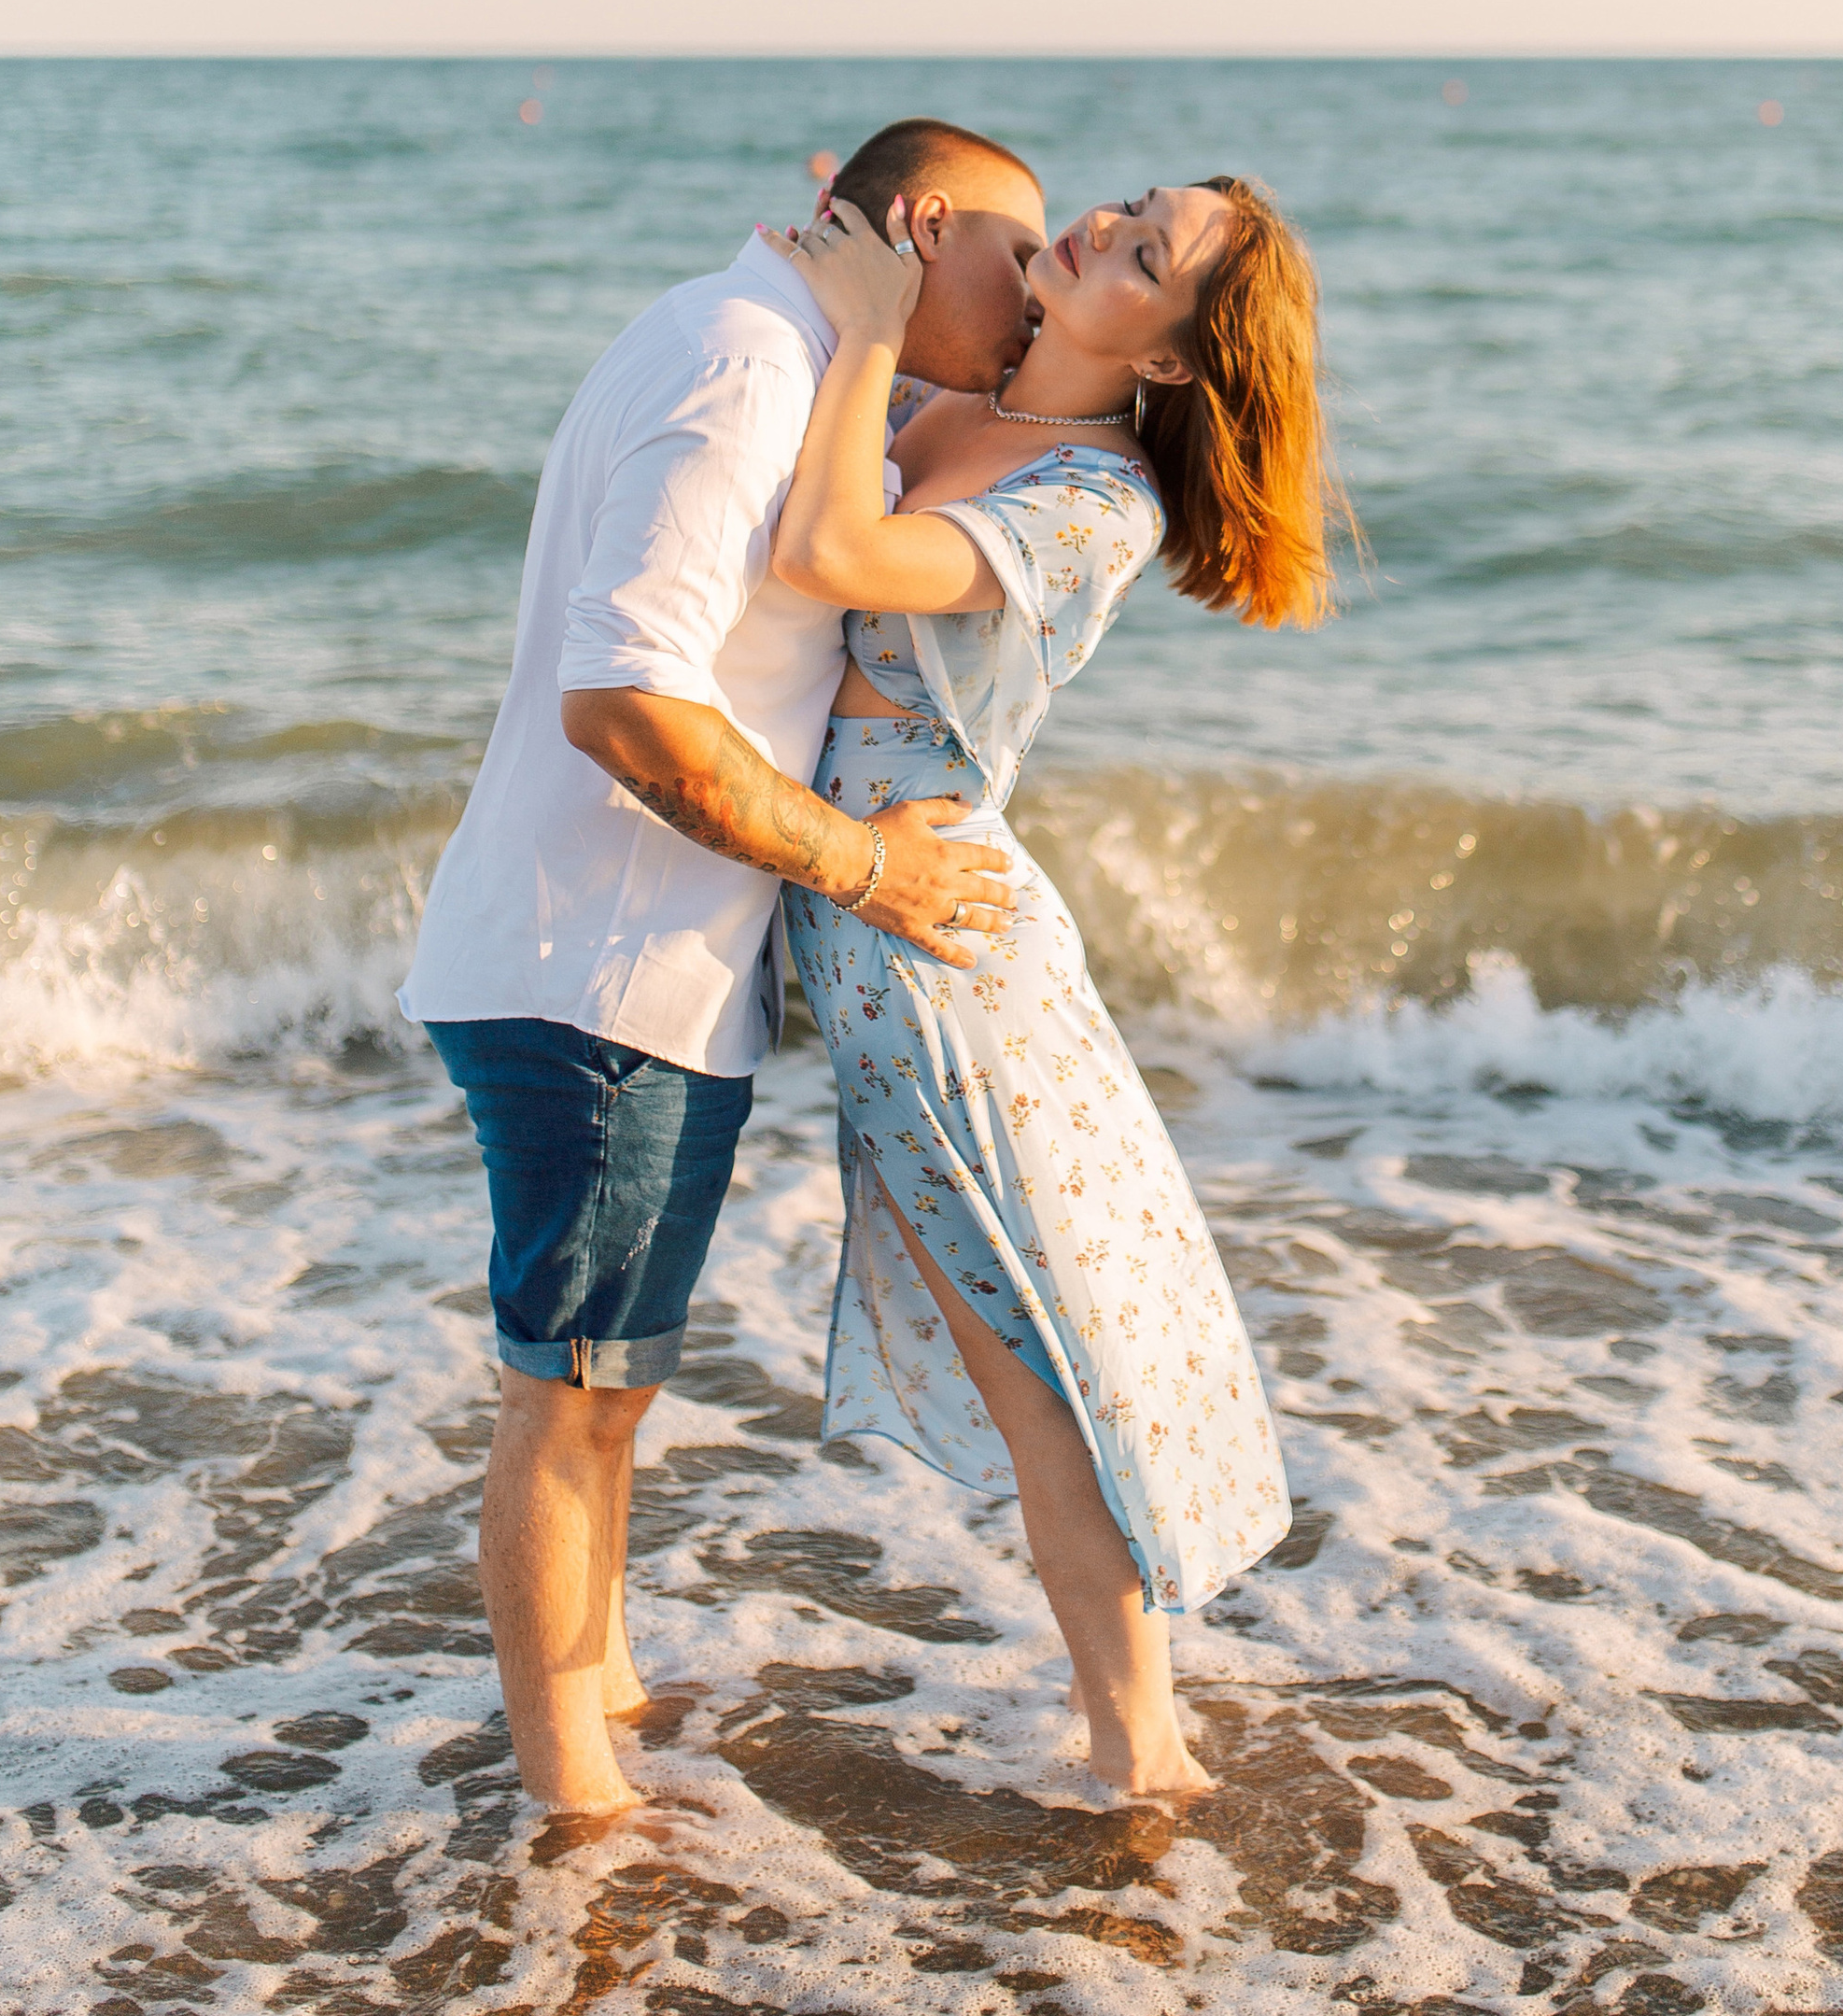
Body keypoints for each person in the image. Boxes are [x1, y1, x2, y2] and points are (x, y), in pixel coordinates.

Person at [397, 119, 1046, 1815]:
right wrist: (866, 869)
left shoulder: (750, 335)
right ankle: (570, 1806)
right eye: (1017, 258)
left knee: (607, 1391)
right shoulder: (747, 368)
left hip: (608, 964)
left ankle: (597, 1696)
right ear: (920, 226)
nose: (1039, 296)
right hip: (598, 972)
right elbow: (622, 695)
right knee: (577, 1395)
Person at [763, 175, 1344, 1800]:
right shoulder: (959, 399)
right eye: (1133, 207)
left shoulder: (1094, 504)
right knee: (1044, 1349)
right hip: (885, 933)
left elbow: (823, 550)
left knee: (1048, 1368)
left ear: (1165, 361)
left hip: (943, 961)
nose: (1102, 229)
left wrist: (874, 337)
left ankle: (1144, 1756)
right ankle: (1139, 1739)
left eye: (1145, 258)